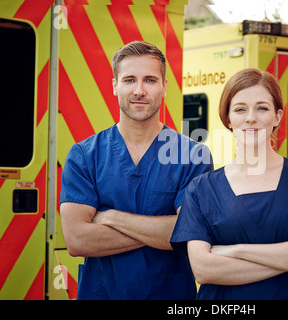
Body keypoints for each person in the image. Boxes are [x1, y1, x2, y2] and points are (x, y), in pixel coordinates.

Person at [170, 68, 288, 300]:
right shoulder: (201, 189)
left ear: (277, 116)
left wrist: (236, 250)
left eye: (262, 108)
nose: (251, 117)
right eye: (240, 109)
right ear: (228, 119)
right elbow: (204, 270)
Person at [60, 41, 213, 300]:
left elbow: (190, 235)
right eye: (129, 80)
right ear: (115, 86)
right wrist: (164, 231)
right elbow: (77, 240)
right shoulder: (85, 155)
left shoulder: (193, 156)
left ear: (164, 87)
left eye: (150, 80)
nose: (139, 90)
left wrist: (110, 217)